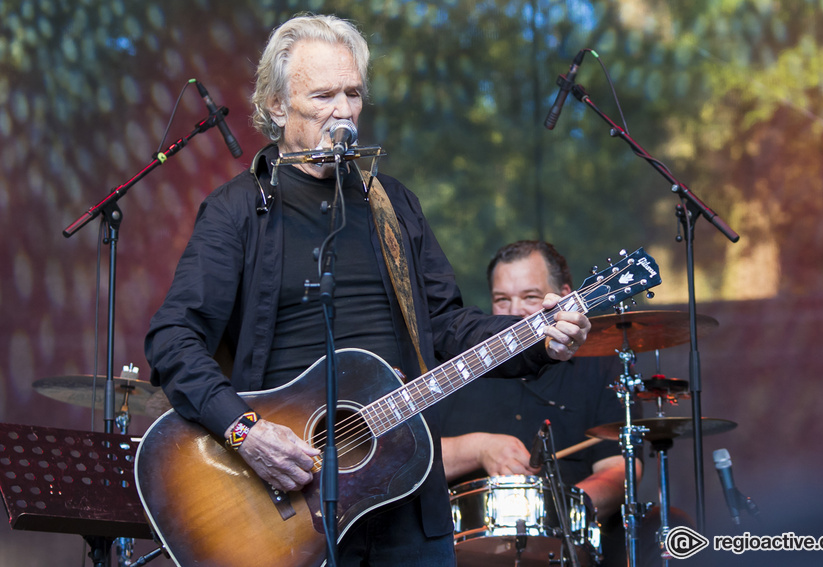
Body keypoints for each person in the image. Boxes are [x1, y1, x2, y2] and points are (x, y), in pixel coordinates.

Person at [144, 15, 590, 566]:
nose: (345, 110)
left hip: (407, 499)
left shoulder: (392, 204)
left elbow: (448, 324)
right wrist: (245, 432)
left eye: (353, 93)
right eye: (324, 94)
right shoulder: (239, 211)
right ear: (278, 106)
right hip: (286, 500)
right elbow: (173, 339)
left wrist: (539, 338)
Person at [438, 240, 642, 564]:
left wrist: (558, 509)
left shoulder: (601, 367)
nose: (515, 312)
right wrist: (478, 448)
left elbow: (619, 469)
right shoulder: (458, 365)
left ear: (565, 295)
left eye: (530, 297)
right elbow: (406, 461)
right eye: (501, 300)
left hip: (566, 552)